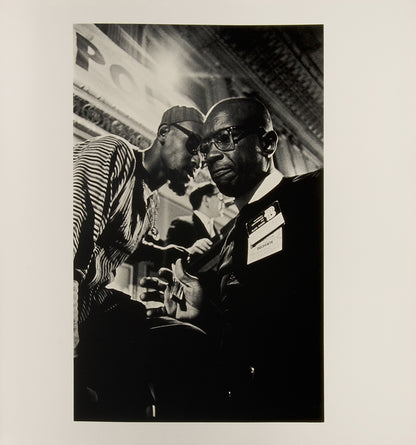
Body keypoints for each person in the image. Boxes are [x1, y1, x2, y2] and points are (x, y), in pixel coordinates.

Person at [141, 97, 323, 421]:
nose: (211, 155)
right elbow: (241, 336)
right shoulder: (227, 240)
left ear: (267, 143)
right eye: (206, 146)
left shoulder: (316, 193)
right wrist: (204, 313)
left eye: (225, 138)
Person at [73, 105, 211, 420]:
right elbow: (65, 244)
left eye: (203, 154)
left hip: (94, 309)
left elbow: (126, 239)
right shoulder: (114, 153)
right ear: (163, 133)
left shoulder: (151, 202)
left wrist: (168, 253)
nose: (199, 160)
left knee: (187, 339)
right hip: (57, 306)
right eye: (194, 145)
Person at [166, 182, 222, 257]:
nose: (223, 200)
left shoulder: (218, 233)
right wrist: (190, 251)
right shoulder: (181, 224)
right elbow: (169, 257)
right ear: (206, 200)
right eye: (219, 196)